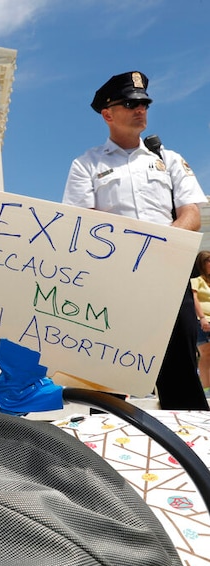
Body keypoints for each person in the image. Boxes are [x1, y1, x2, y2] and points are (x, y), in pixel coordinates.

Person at [63, 70, 209, 410]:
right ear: (108, 114)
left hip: (167, 279)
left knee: (181, 375)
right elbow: (81, 221)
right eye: (130, 104)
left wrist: (158, 243)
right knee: (108, 379)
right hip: (115, 281)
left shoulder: (167, 159)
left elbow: (191, 213)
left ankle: (191, 460)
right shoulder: (86, 164)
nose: (140, 109)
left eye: (144, 103)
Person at [191, 250, 210, 398]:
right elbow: (195, 299)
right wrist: (202, 317)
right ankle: (206, 388)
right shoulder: (197, 280)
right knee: (206, 354)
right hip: (202, 321)